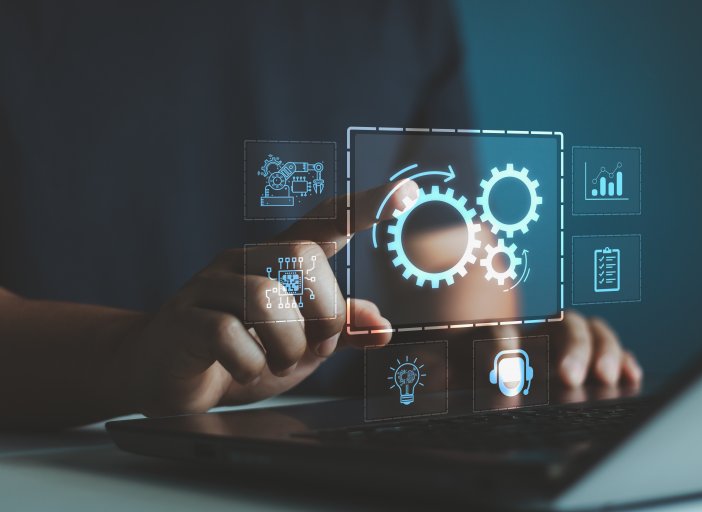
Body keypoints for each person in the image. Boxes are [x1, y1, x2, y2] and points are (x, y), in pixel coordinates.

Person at [0, 1, 641, 428]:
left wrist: (498, 354)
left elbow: (448, 242)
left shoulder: (405, 14)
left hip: (321, 456)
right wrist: (135, 359)